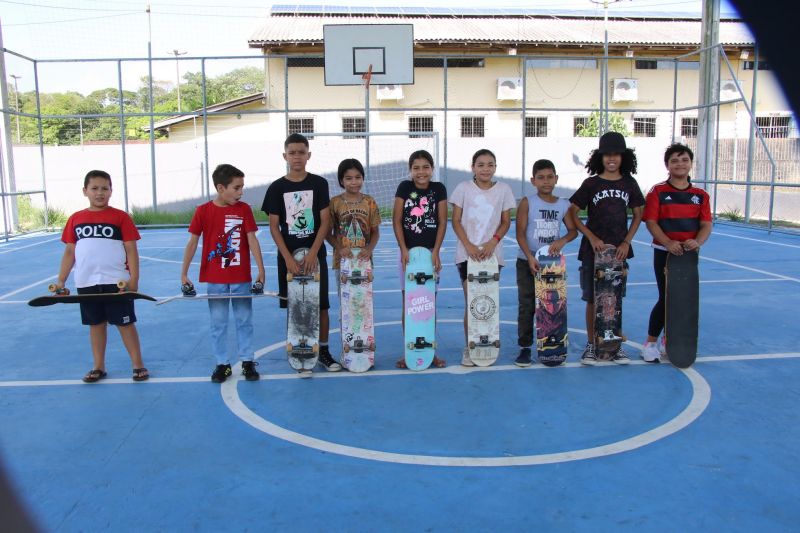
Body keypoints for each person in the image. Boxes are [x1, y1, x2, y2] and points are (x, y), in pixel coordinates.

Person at [54, 170, 148, 383]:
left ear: (111, 191)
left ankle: (138, 364)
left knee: (125, 323)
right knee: (95, 324)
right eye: (94, 188)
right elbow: (70, 252)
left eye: (104, 188)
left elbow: (131, 250)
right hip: (86, 282)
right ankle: (98, 366)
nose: (100, 193)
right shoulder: (75, 219)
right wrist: (61, 280)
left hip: (117, 281)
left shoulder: (120, 217)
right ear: (85, 191)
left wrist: (134, 280)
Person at [262, 133, 340, 374]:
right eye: (292, 152)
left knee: (321, 306)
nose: (297, 156)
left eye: (301, 152)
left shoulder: (319, 184)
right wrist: (287, 258)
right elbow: (274, 227)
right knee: (296, 306)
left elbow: (325, 222)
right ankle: (300, 352)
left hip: (314, 254)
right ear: (285, 155)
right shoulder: (277, 187)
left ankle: (324, 351)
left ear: (309, 155)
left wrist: (314, 253)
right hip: (289, 256)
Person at [181, 163, 265, 383]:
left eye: (242, 187)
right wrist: (184, 274)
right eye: (236, 188)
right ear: (221, 188)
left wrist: (261, 271)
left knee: (244, 320)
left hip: (240, 277)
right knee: (218, 323)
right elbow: (192, 242)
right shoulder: (203, 211)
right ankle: (222, 364)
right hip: (215, 278)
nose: (241, 192)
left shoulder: (244, 209)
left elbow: (251, 239)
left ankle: (247, 361)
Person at [568, 131, 645, 365]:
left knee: (614, 299)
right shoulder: (591, 183)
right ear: (599, 157)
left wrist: (626, 241)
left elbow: (639, 214)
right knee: (593, 299)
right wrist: (591, 237)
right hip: (594, 251)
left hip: (618, 252)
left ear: (624, 157)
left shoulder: (629, 183)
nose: (612, 159)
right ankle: (592, 345)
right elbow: (573, 213)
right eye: (607, 155)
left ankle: (613, 345)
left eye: (616, 155)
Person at [641, 143, 712, 362]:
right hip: (665, 252)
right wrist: (668, 242)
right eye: (674, 160)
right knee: (666, 297)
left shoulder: (700, 195)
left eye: (684, 160)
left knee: (684, 299)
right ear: (667, 165)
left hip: (688, 256)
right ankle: (651, 343)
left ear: (691, 163)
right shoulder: (658, 191)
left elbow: (706, 224)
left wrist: (697, 242)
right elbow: (651, 222)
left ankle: (670, 340)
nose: (680, 164)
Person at [449, 148, 516, 366]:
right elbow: (456, 221)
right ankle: (470, 346)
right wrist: (468, 245)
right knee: (473, 302)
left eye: (490, 164)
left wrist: (493, 241)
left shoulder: (504, 189)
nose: (485, 169)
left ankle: (486, 344)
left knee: (488, 301)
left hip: (491, 255)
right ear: (473, 167)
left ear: (495, 167)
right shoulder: (463, 188)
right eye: (481, 164)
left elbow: (506, 221)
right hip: (467, 255)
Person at [514, 159, 578, 367]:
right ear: (533, 181)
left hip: (552, 263)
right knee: (527, 305)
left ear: (556, 178)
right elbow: (520, 234)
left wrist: (561, 240)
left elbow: (573, 230)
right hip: (528, 260)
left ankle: (551, 343)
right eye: (541, 178)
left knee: (551, 305)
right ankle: (525, 348)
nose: (546, 181)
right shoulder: (527, 202)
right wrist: (530, 256)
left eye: (550, 177)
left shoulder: (563, 204)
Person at [393, 149, 448, 369]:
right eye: (416, 168)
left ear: (432, 169)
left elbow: (443, 222)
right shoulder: (404, 188)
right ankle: (409, 351)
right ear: (410, 170)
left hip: (429, 255)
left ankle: (430, 352)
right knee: (409, 303)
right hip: (408, 255)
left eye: (426, 167)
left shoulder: (439, 189)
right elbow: (397, 220)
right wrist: (403, 249)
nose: (421, 172)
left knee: (428, 304)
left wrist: (436, 251)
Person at [326, 158, 381, 286]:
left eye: (358, 177)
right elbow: (327, 233)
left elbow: (376, 232)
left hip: (364, 258)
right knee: (345, 300)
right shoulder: (335, 202)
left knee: (364, 300)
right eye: (349, 178)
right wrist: (340, 248)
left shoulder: (369, 202)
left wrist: (369, 249)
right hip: (343, 260)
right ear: (341, 180)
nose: (354, 182)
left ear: (363, 178)